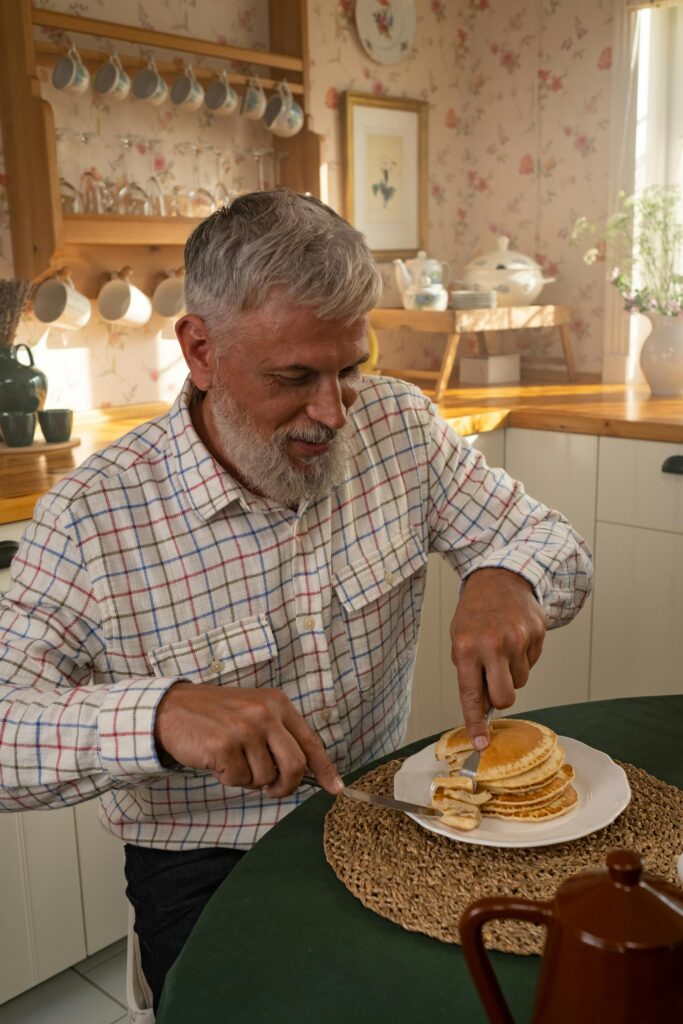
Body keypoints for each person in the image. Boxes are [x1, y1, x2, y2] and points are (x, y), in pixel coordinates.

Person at [0, 189, 592, 1010]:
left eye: (351, 368)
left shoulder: (399, 428)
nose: (332, 412)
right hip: (207, 861)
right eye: (294, 377)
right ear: (200, 350)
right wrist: (161, 716)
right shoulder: (92, 515)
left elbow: (551, 542)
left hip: (389, 815)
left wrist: (506, 575)